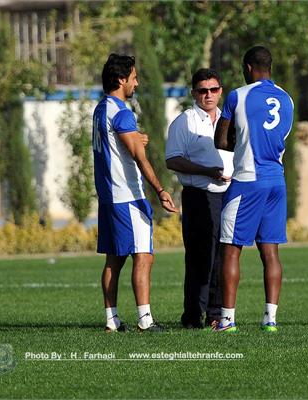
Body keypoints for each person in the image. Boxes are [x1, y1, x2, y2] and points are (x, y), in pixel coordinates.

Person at [92, 54, 178, 333]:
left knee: (114, 260)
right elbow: (139, 158)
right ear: (121, 80)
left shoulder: (101, 109)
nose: (137, 83)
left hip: (108, 196)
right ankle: (145, 320)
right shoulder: (122, 112)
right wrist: (161, 190)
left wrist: (135, 138)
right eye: (134, 77)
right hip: (127, 195)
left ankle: (112, 320)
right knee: (144, 255)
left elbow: (118, 143)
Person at [213, 45, 294, 333]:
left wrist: (238, 143)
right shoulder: (287, 99)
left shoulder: (238, 95)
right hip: (277, 181)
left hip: (248, 180)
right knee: (270, 252)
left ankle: (227, 320)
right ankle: (270, 319)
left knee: (231, 251)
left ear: (248, 68)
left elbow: (220, 140)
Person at [165, 68, 233, 329]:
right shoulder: (185, 121)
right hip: (197, 194)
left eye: (213, 90)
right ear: (194, 93)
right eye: (203, 90)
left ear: (220, 91)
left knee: (223, 255)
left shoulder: (230, 120)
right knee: (198, 257)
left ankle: (217, 314)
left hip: (227, 194)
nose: (208, 95)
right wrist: (206, 171)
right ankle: (193, 316)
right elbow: (172, 159)